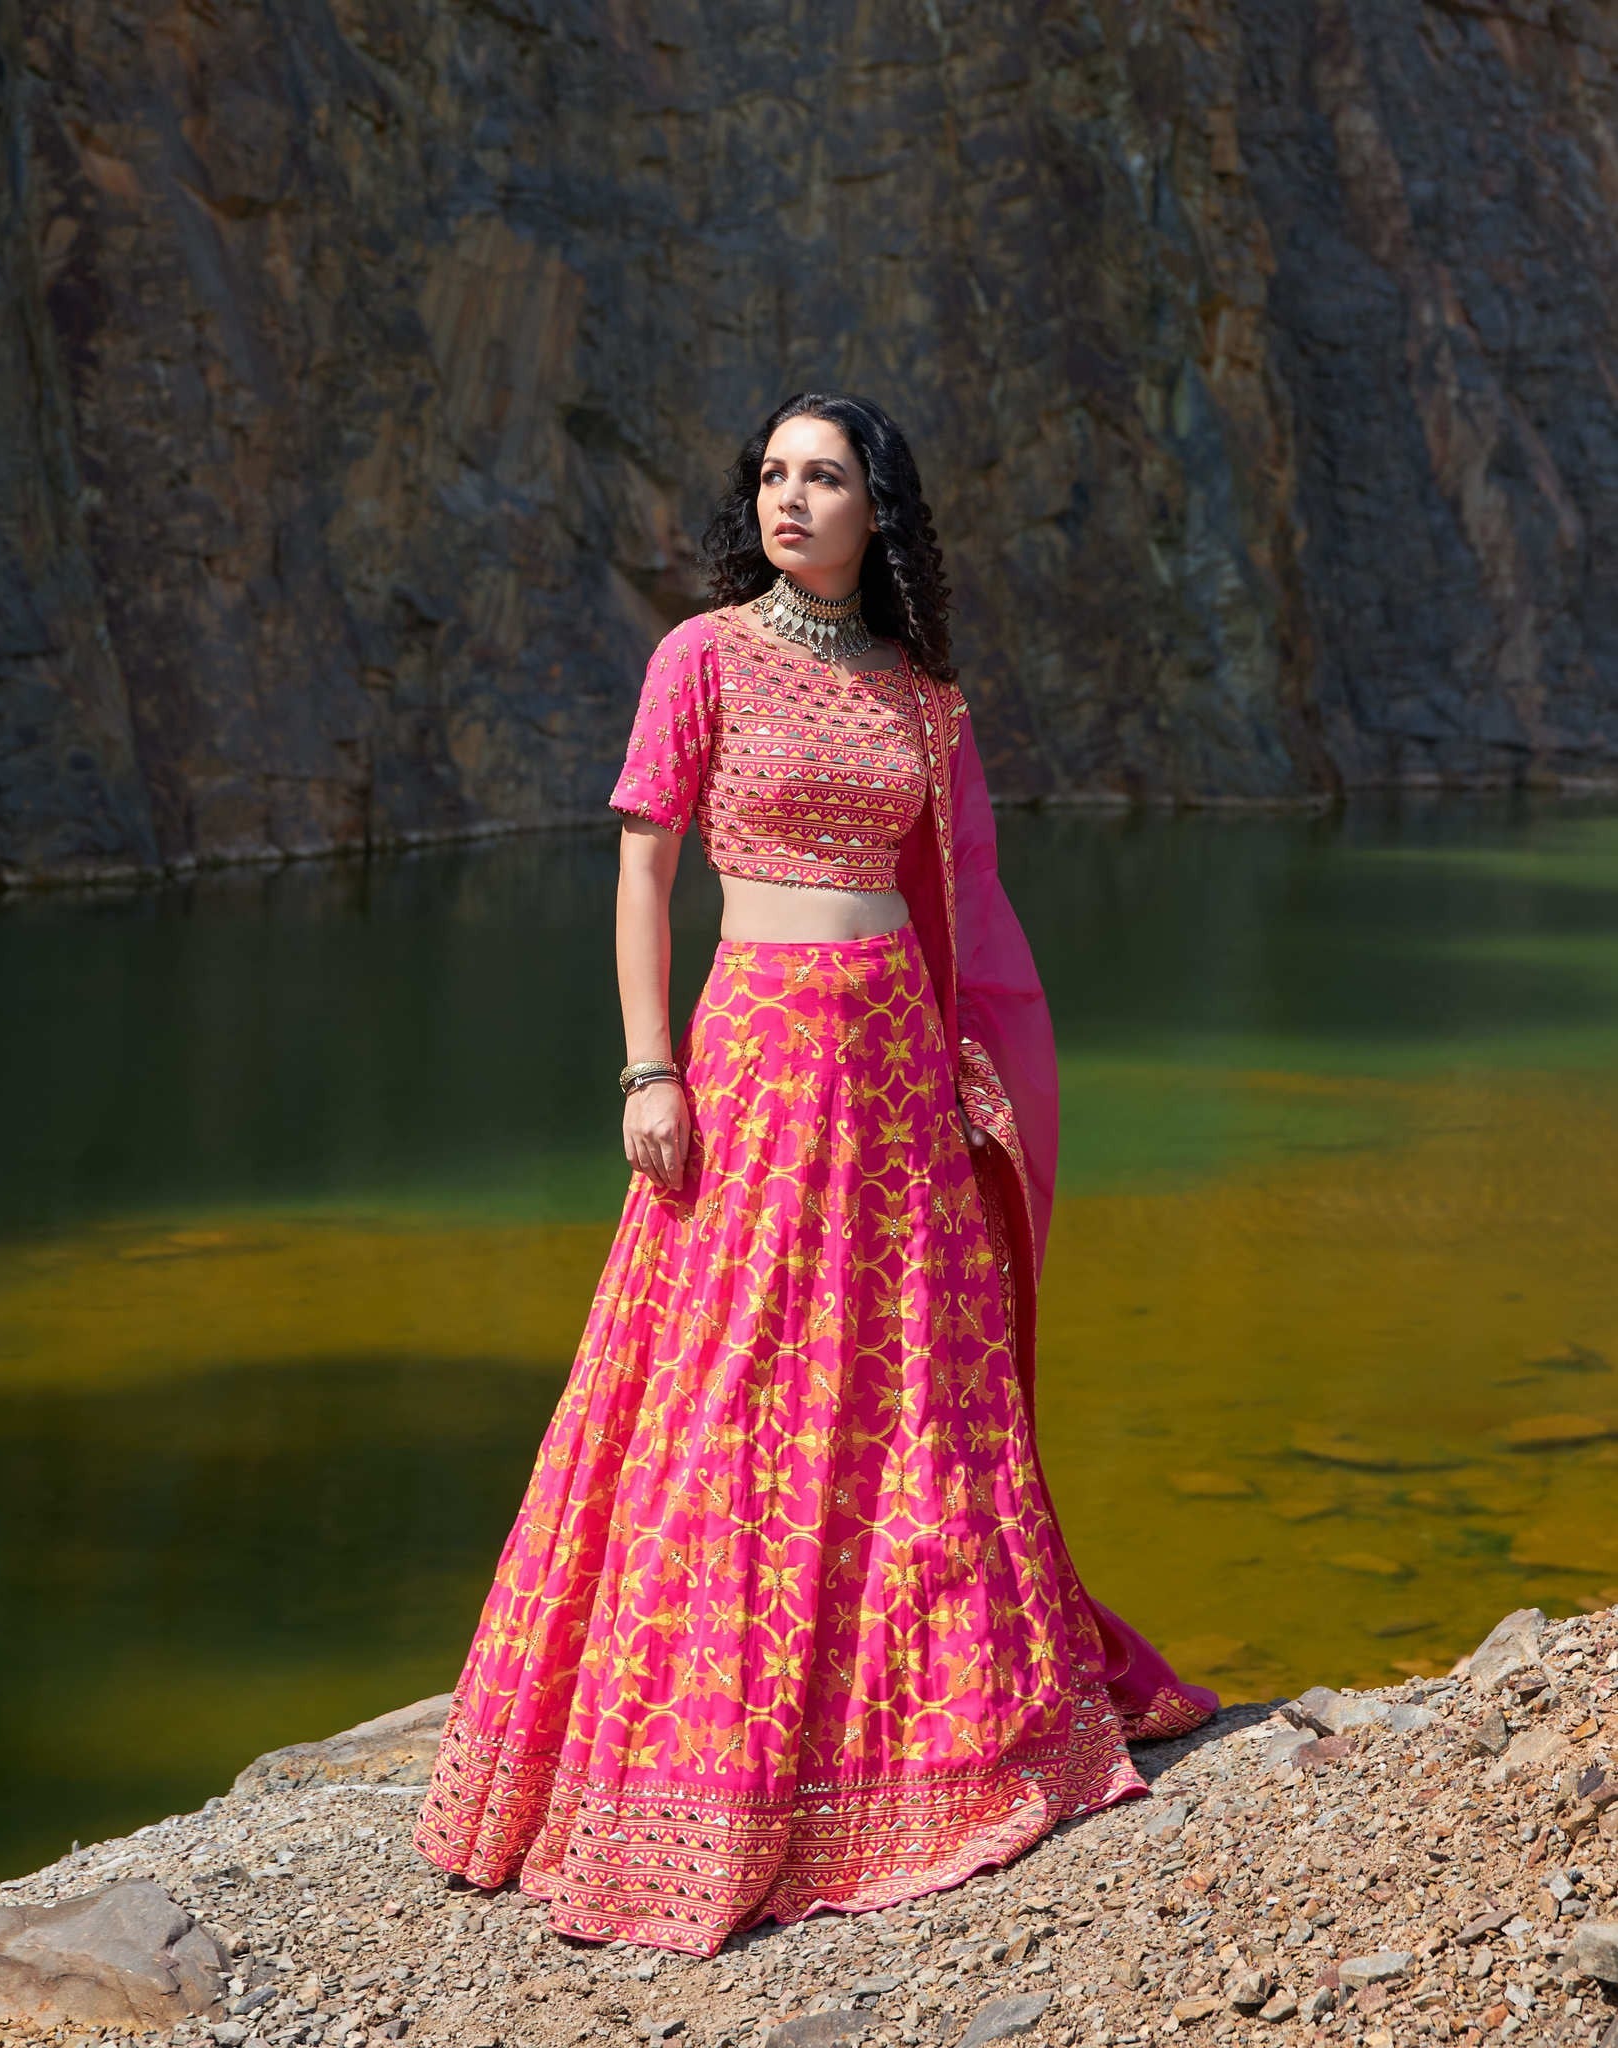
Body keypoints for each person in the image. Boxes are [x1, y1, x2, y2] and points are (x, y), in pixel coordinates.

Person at [411, 391, 1217, 1957]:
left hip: (898, 1072)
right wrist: (650, 1064)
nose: (791, 497)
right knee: (717, 1395)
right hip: (755, 1059)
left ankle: (910, 1743)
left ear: (877, 511)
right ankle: (688, 1766)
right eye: (772, 474)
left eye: (825, 476)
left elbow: (959, 906)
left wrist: (982, 1077)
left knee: (907, 1396)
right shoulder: (701, 658)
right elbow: (644, 867)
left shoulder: (926, 697)